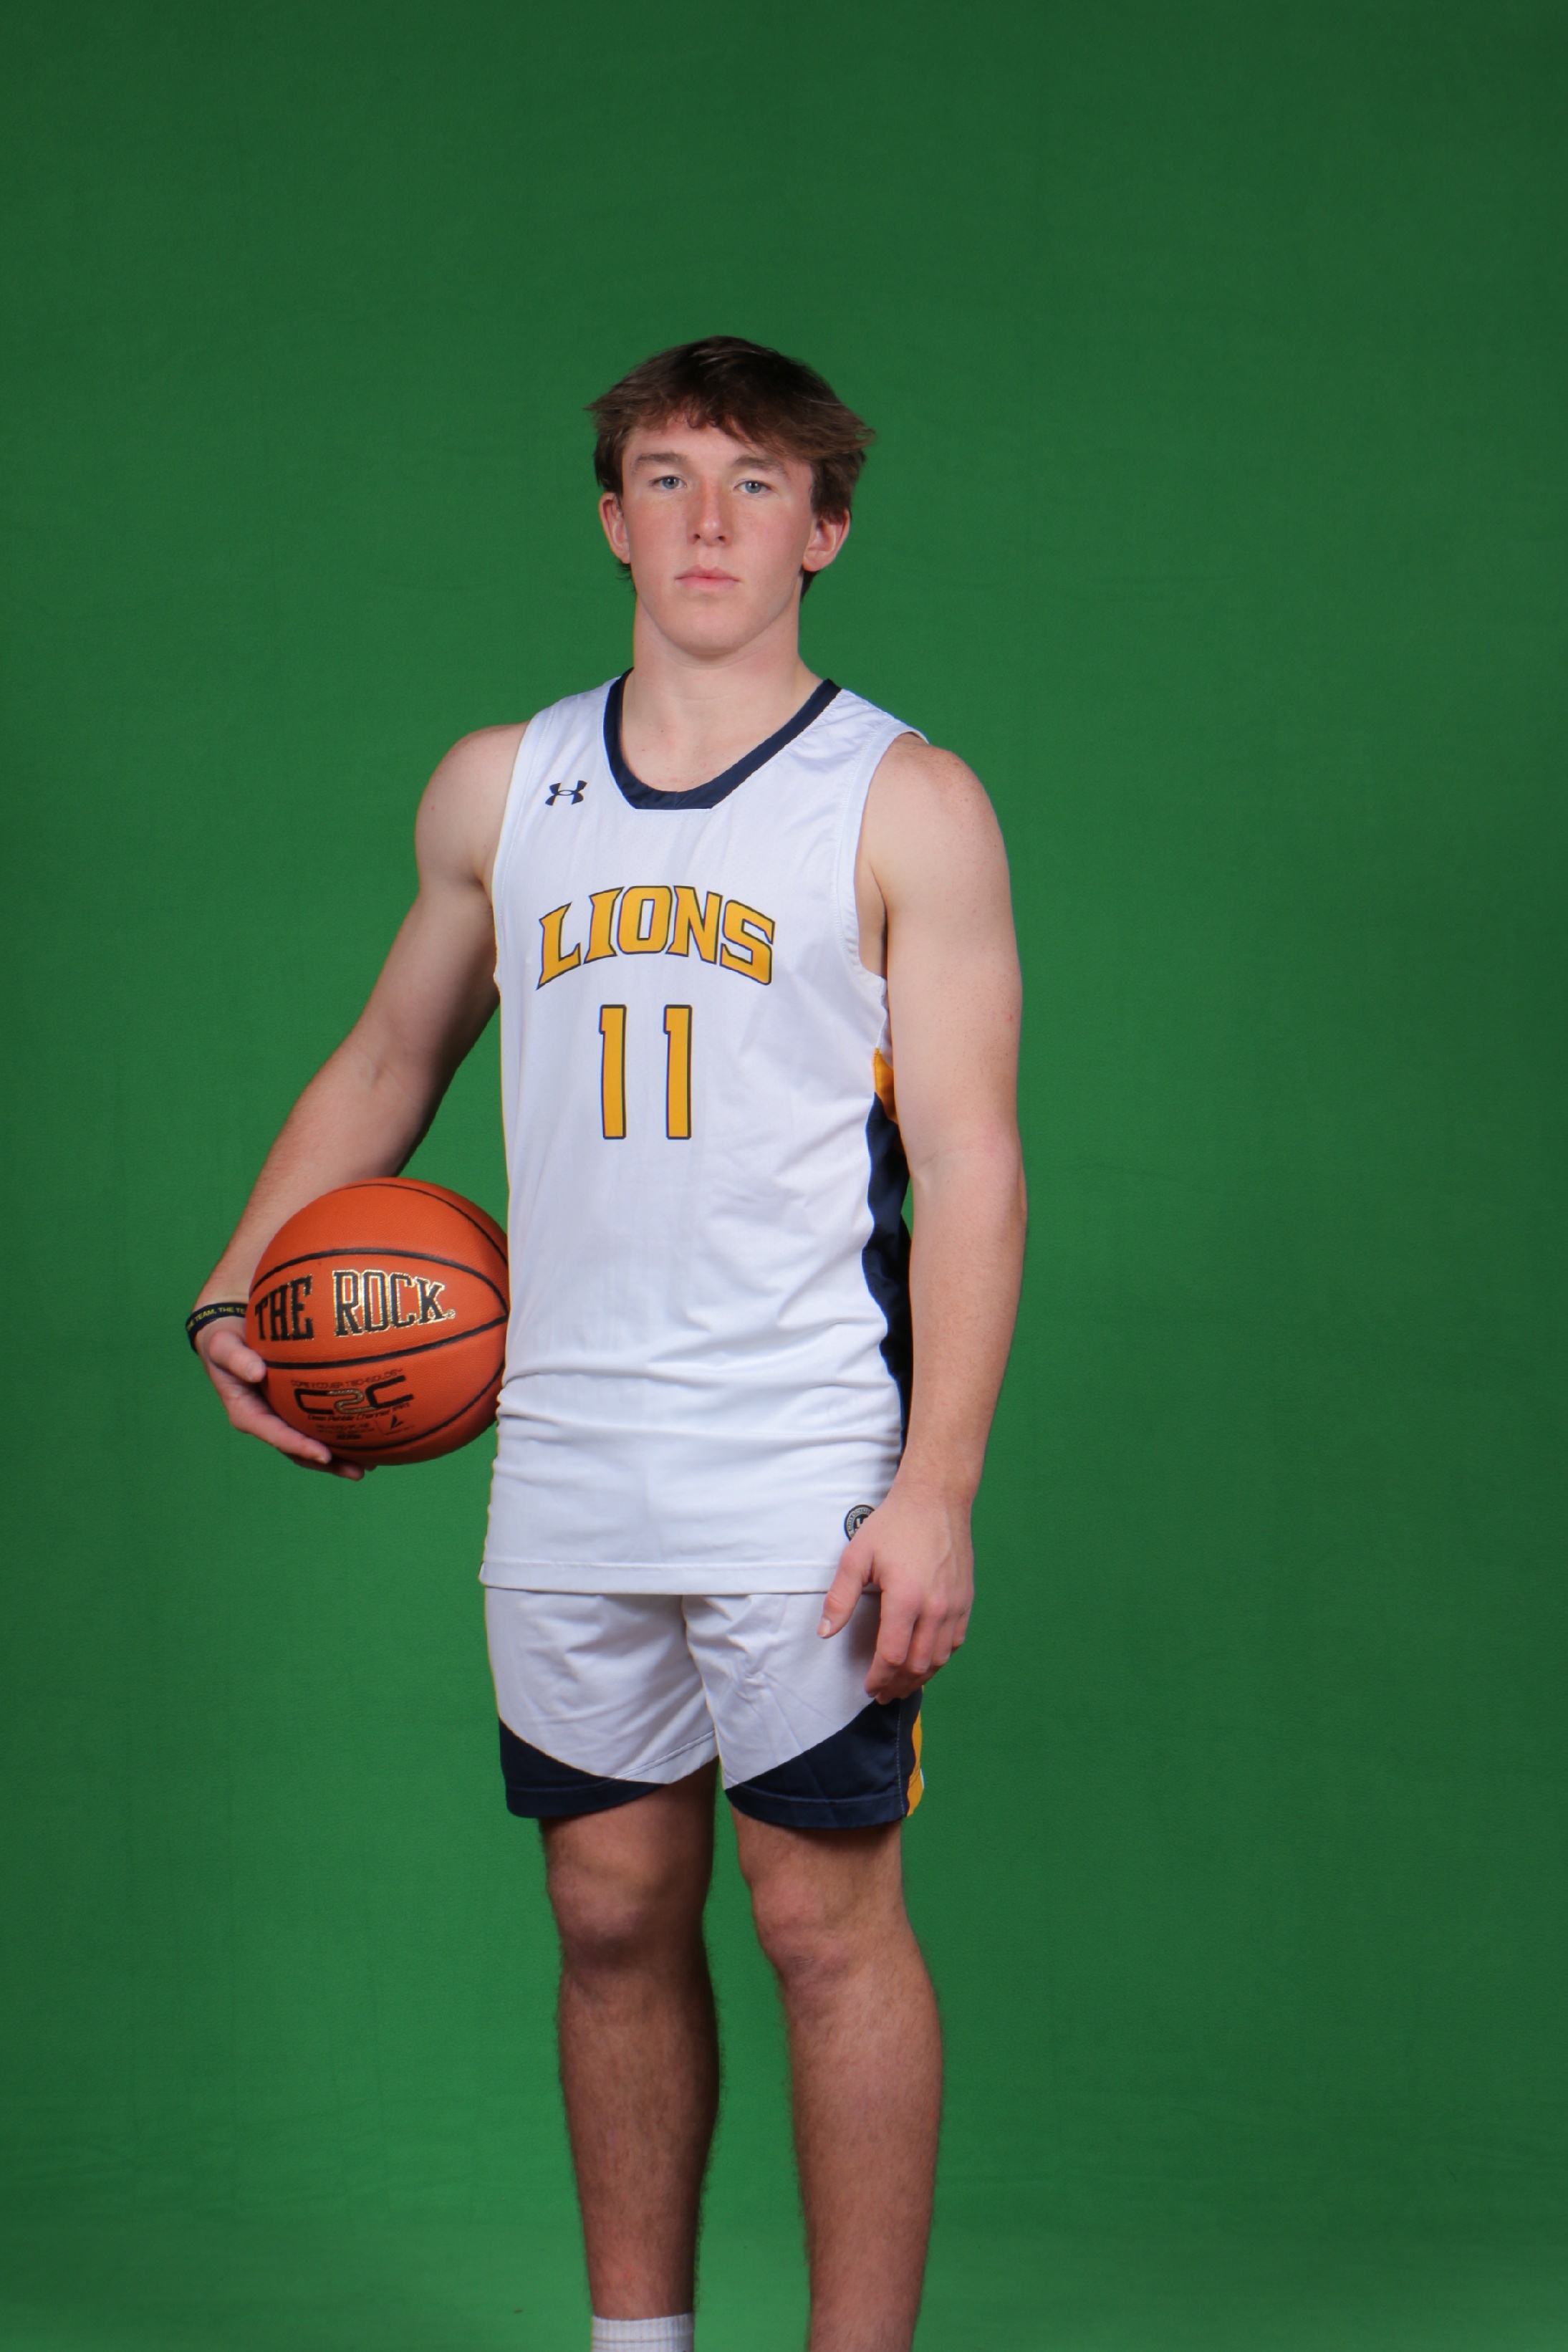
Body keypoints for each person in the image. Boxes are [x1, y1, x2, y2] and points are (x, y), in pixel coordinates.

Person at [190, 336, 1025, 2352]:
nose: (708, 520)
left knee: (821, 1920)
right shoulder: (506, 785)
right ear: (611, 520)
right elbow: (389, 1057)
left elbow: (973, 1166)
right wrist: (235, 1286)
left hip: (800, 1454)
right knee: (608, 1912)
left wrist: (936, 1488)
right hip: (563, 1444)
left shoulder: (905, 799)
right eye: (667, 478)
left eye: (758, 484)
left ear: (825, 530)